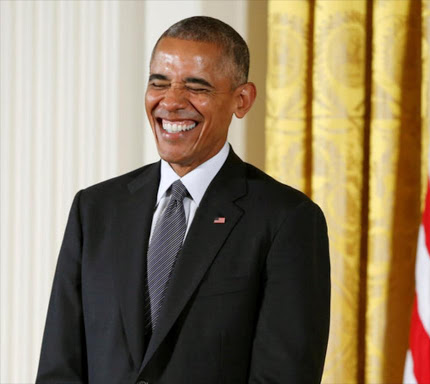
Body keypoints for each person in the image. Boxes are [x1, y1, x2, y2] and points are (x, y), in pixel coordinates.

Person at [37, 16, 330, 384]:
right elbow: (58, 368)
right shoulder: (95, 209)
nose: (171, 101)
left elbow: (284, 376)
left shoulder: (288, 220)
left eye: (197, 87)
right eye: (158, 82)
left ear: (242, 100)